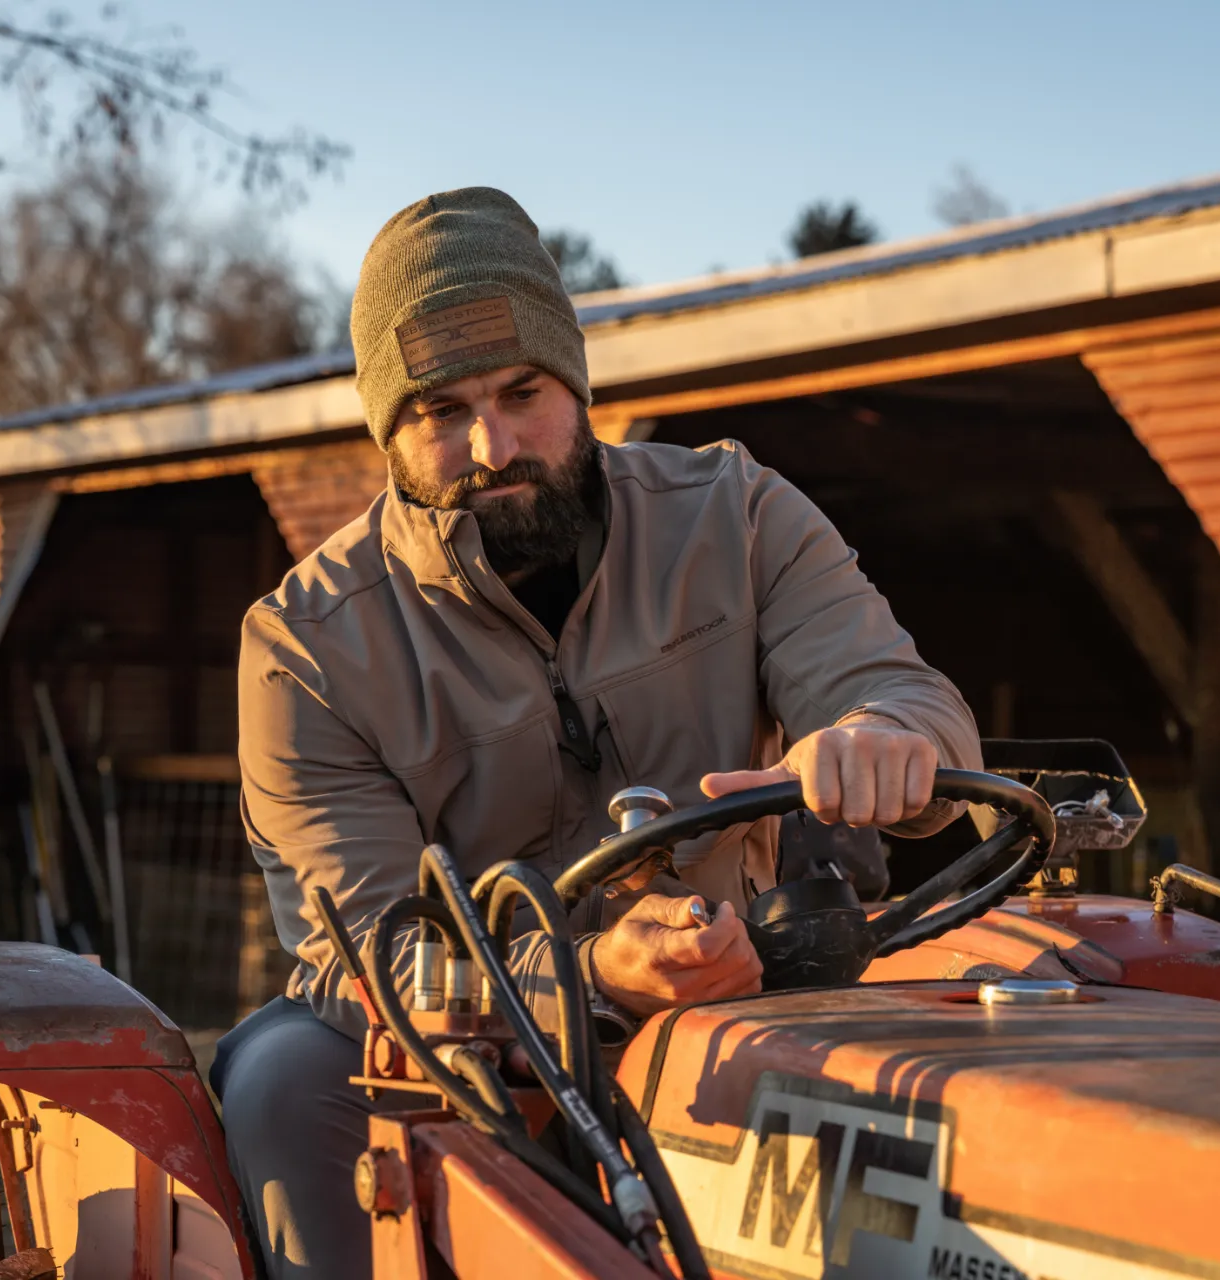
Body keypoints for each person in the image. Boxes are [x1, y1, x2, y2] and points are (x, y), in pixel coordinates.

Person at [213, 187, 981, 1278]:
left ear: (573, 381)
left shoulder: (738, 513)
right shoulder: (304, 643)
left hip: (745, 972)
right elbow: (367, 947)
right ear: (387, 432)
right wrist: (587, 975)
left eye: (523, 391)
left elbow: (896, 690)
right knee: (282, 1080)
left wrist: (885, 738)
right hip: (465, 1033)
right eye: (439, 412)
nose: (493, 444)